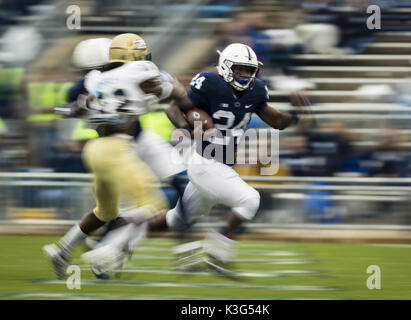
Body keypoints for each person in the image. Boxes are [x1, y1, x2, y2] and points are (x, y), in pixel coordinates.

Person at [148, 43, 308, 272]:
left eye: (248, 70)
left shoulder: (256, 92)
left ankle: (127, 234)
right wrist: (188, 128)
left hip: (221, 166)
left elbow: (278, 122)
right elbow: (173, 109)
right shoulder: (209, 84)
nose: (244, 75)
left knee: (175, 218)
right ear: (225, 66)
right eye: (240, 69)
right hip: (206, 161)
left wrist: (295, 115)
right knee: (250, 199)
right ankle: (217, 251)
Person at [43, 34, 190, 279]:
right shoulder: (139, 71)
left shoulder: (95, 79)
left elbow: (77, 104)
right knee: (152, 204)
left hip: (96, 150)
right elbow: (168, 88)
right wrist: (175, 91)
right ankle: (105, 251)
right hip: (119, 148)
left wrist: (67, 109)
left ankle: (62, 249)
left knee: (105, 211)